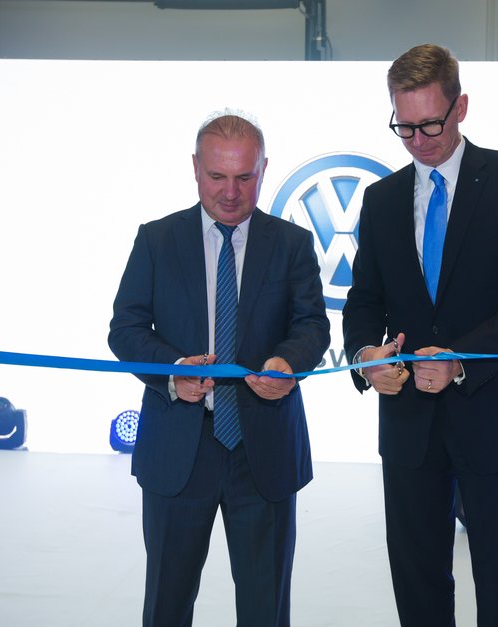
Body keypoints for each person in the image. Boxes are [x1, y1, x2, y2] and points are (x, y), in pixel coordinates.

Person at [342, 44, 498, 626]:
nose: (418, 140)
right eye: (404, 127)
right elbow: (364, 301)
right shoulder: (381, 199)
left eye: (431, 124)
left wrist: (462, 361)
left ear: (461, 107)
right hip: (409, 426)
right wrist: (365, 355)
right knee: (416, 583)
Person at [109, 112, 329, 627]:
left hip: (264, 452)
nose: (230, 193)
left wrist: (287, 363)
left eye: (244, 177)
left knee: (265, 609)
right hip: (177, 450)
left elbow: (312, 327)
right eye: (216, 176)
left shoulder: (292, 244)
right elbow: (126, 328)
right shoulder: (156, 240)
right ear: (194, 168)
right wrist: (172, 371)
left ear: (264, 169)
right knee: (167, 604)